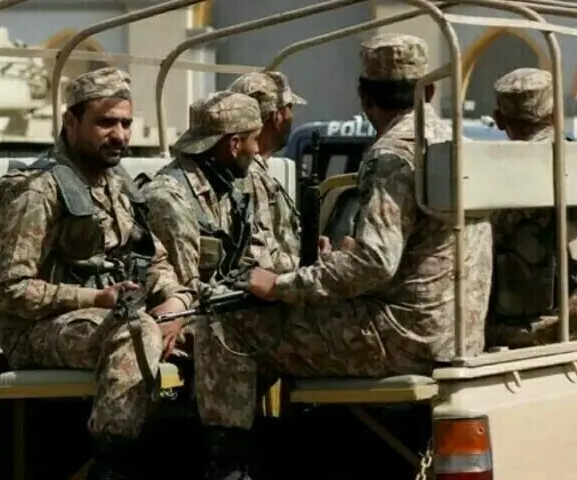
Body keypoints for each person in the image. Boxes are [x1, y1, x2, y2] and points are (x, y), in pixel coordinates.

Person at [188, 34, 494, 480]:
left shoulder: (393, 152)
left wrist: (280, 286)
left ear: (363, 95)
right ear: (428, 90)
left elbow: (373, 263)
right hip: (455, 329)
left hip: (402, 335)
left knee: (225, 326)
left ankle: (231, 469)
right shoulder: (456, 140)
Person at [0, 66, 195, 480]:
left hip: (114, 313)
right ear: (71, 121)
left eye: (125, 123)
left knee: (223, 331)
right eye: (105, 122)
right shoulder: (38, 189)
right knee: (135, 334)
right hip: (37, 329)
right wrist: (94, 299)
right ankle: (111, 465)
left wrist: (175, 301)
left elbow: (153, 260)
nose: (118, 134)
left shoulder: (118, 185)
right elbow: (8, 290)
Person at [141, 91, 263, 356]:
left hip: (210, 310)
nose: (257, 150)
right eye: (255, 140)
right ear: (234, 144)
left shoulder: (223, 188)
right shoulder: (169, 198)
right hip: (179, 318)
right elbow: (186, 290)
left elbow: (240, 262)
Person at [486, 67, 577, 348]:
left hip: (531, 332)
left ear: (499, 120)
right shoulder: (571, 158)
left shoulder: (496, 178)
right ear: (556, 112)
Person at [227, 71, 304, 272]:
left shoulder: (252, 171)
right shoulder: (250, 176)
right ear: (276, 117)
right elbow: (261, 259)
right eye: (289, 108)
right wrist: (316, 262)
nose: (292, 116)